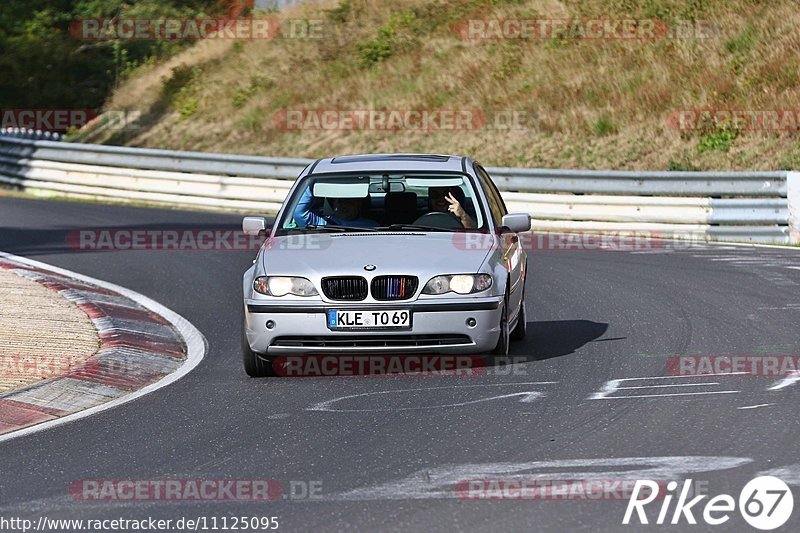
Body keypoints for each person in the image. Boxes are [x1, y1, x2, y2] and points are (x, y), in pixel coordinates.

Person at [293, 186, 378, 228]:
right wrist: (313, 184)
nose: (344, 205)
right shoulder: (320, 222)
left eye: (349, 202)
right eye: (340, 201)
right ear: (333, 205)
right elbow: (298, 213)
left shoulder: (372, 226)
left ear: (359, 205)